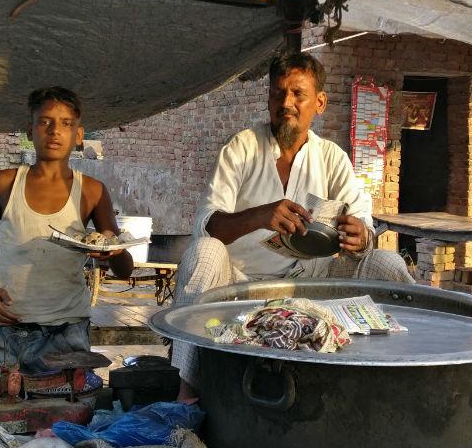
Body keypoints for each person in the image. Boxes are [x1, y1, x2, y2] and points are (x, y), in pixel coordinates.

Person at [172, 51, 413, 399]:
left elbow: (364, 224)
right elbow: (207, 226)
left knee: (387, 264)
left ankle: (396, 382)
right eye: (278, 93)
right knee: (204, 252)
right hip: (240, 282)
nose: (286, 103)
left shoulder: (332, 158)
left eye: (298, 94)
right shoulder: (241, 148)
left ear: (320, 102)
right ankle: (187, 392)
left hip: (315, 282)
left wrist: (361, 237)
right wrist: (258, 215)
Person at [0, 86, 133, 385]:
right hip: (8, 327)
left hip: (66, 331)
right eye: (45, 121)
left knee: (63, 419)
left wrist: (113, 252)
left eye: (66, 123)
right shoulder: (4, 183)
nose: (55, 131)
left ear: (79, 135)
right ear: (30, 130)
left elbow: (124, 268)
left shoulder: (91, 191)